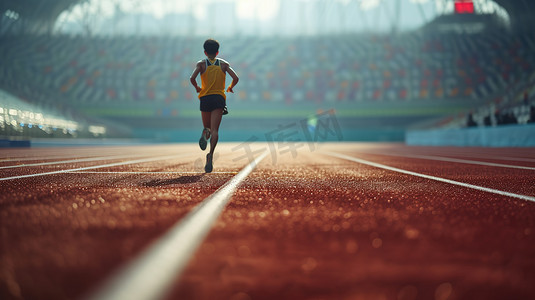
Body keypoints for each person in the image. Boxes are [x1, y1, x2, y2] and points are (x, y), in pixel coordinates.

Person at [190, 38, 239, 173]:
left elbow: (192, 78)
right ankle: (210, 154)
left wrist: (197, 87)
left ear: (205, 52)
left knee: (207, 127)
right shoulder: (224, 64)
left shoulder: (201, 64)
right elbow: (236, 78)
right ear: (217, 52)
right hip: (218, 98)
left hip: (205, 98)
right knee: (215, 130)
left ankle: (205, 132)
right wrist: (230, 87)